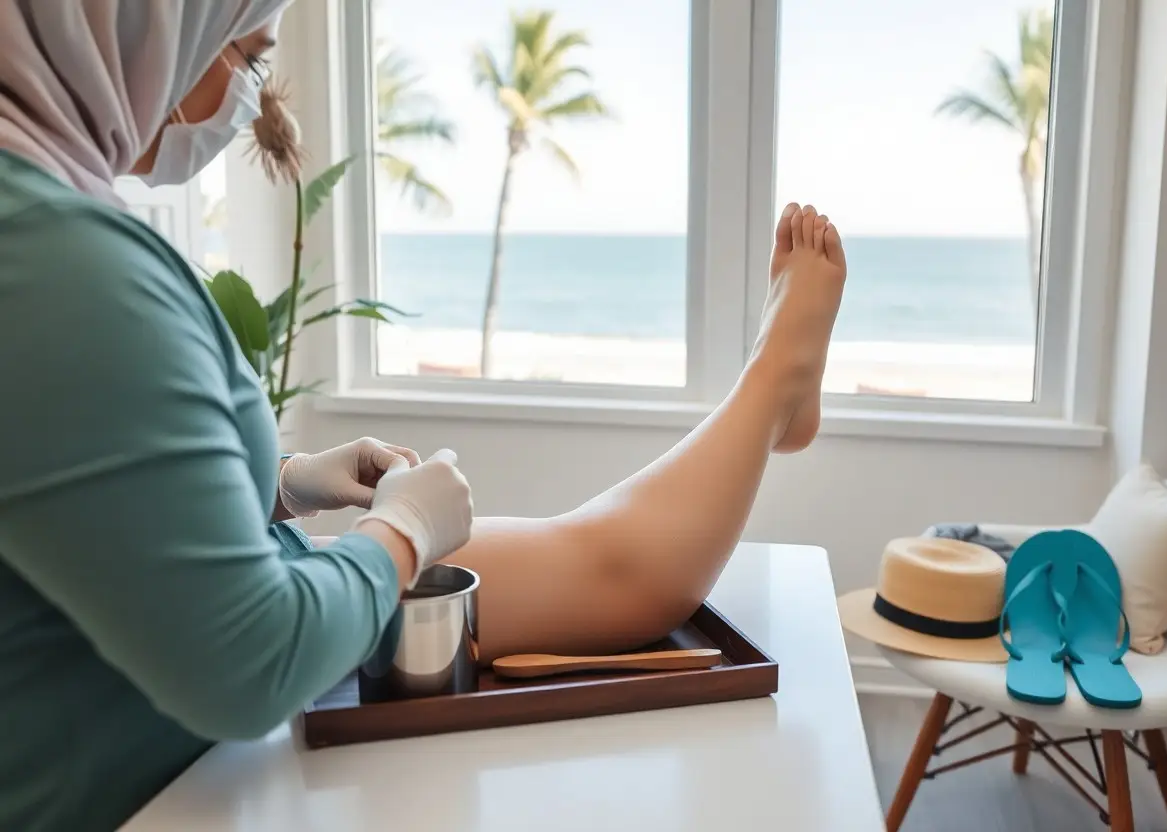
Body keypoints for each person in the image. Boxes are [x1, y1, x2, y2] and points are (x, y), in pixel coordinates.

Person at [0, 2, 847, 830]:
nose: (246, 99)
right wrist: (402, 535)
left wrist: (283, 486)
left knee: (594, 557)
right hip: (161, 753)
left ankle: (772, 387)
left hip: (173, 647)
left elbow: (65, 479)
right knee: (613, 569)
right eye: (247, 56)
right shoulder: (55, 263)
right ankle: (774, 385)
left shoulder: (42, 211)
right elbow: (245, 665)